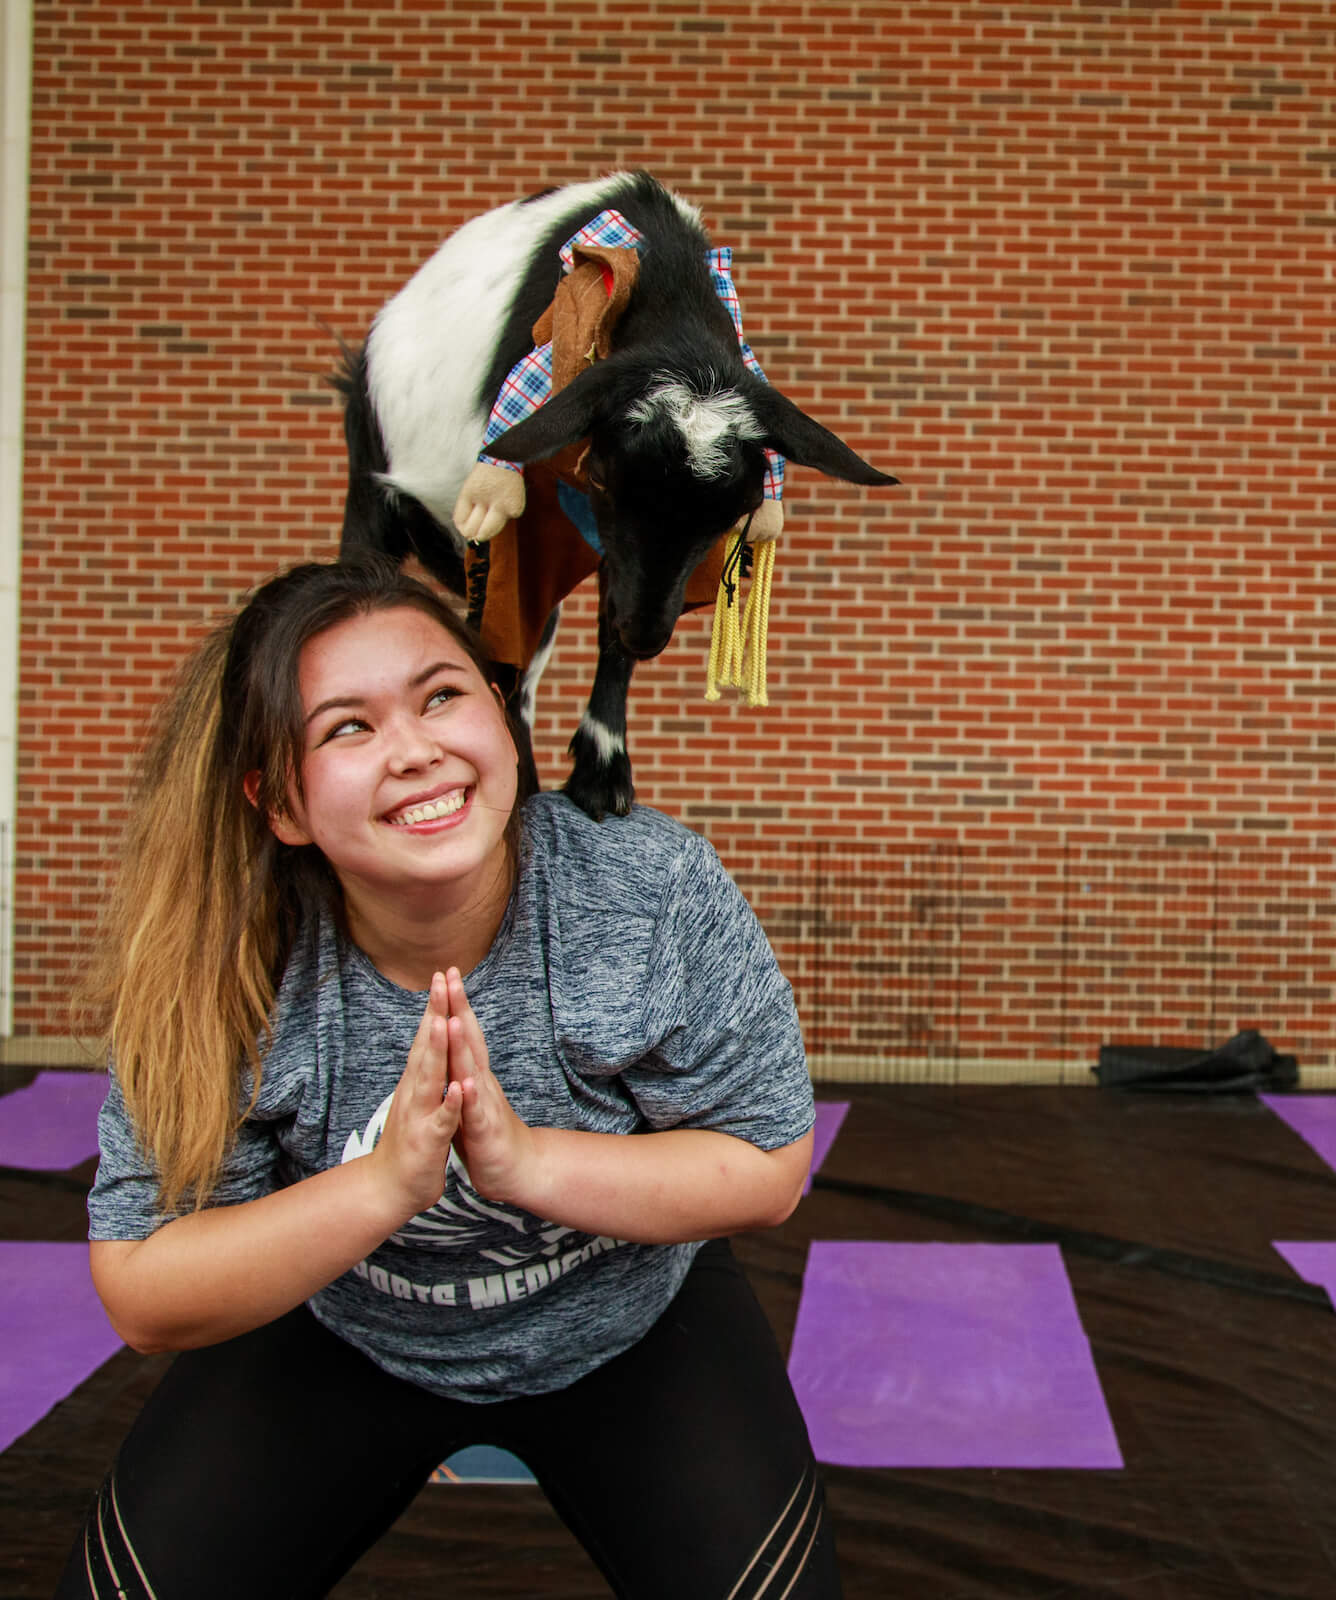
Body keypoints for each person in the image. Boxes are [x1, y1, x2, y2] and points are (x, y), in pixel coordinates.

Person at [57, 558, 838, 1600]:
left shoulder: (645, 891)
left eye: (441, 695)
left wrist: (523, 1161)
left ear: (502, 719)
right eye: (347, 727)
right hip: (346, 1329)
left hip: (627, 1323)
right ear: (277, 801)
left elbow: (769, 1163)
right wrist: (383, 1186)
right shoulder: (220, 955)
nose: (416, 750)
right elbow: (143, 1288)